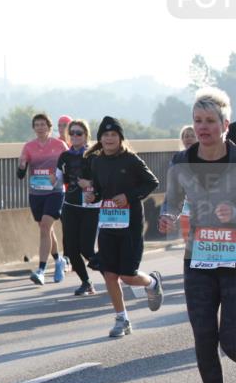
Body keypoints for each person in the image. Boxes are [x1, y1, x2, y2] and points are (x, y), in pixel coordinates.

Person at [159, 88, 235, 383]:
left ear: (225, 124)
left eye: (209, 121)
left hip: (234, 262)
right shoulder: (181, 162)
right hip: (199, 260)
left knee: (231, 341)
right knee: (204, 336)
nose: (202, 127)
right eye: (197, 121)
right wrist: (168, 216)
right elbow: (172, 201)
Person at [82, 116, 162, 338]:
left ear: (120, 138)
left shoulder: (131, 160)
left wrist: (128, 196)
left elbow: (152, 182)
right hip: (108, 224)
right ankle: (122, 319)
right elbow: (99, 190)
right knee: (109, 274)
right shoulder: (96, 162)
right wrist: (93, 196)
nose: (109, 138)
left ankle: (152, 282)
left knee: (127, 276)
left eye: (113, 135)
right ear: (100, 138)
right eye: (105, 135)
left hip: (130, 225)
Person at [17, 113, 69, 285]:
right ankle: (59, 260)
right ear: (34, 128)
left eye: (43, 124)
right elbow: (20, 174)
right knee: (46, 229)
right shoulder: (29, 147)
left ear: (49, 127)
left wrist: (59, 176)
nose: (40, 128)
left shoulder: (59, 145)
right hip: (36, 193)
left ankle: (41, 270)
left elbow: (69, 166)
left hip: (55, 191)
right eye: (37, 125)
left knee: (45, 226)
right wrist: (22, 166)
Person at [56, 119, 99, 295]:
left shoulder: (95, 156)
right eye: (71, 133)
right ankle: (86, 282)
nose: (74, 136)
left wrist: (90, 184)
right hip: (70, 206)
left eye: (78, 133)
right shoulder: (64, 156)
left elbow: (105, 180)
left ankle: (111, 274)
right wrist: (49, 179)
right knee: (71, 249)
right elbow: (59, 179)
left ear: (86, 135)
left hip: (90, 207)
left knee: (87, 249)